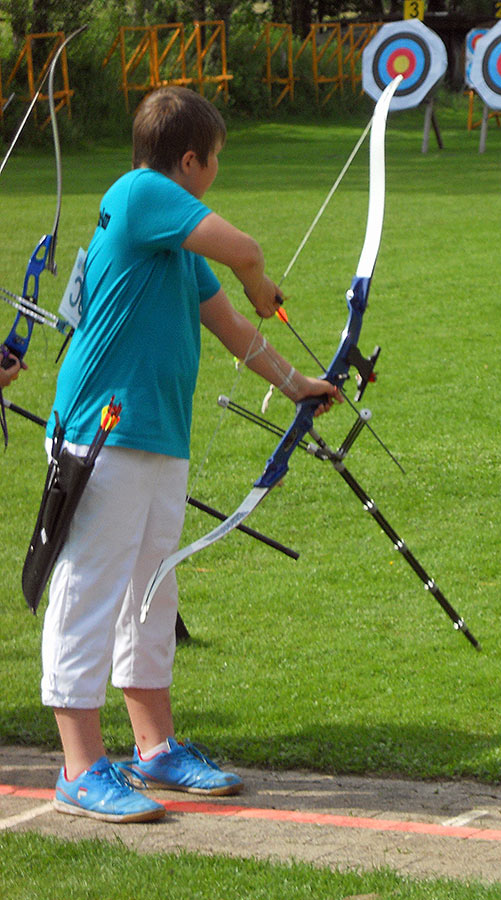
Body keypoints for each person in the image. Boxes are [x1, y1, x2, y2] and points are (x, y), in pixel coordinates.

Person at [42, 85, 338, 824]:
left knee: (151, 591)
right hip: (104, 431)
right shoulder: (142, 194)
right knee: (91, 589)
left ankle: (155, 748)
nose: (215, 178)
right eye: (214, 164)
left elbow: (232, 328)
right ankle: (80, 768)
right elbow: (246, 253)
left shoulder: (173, 245)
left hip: (155, 436)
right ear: (189, 160)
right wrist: (261, 276)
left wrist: (296, 383)